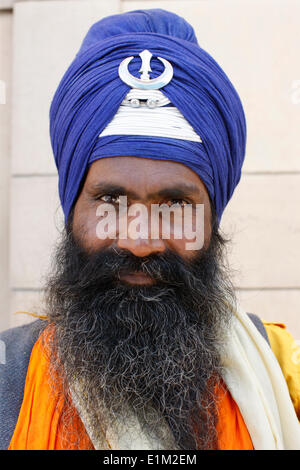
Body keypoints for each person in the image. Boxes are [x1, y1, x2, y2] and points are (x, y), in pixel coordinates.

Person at [1, 9, 300, 451]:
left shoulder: (281, 369)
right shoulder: (9, 376)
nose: (139, 242)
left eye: (176, 204)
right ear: (71, 210)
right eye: (109, 200)